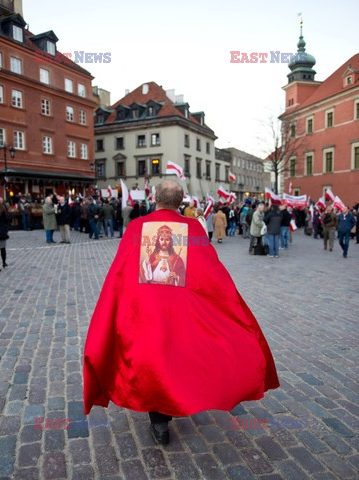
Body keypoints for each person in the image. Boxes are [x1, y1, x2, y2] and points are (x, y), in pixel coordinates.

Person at [83, 180, 279, 446]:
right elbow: (211, 273)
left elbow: (121, 270)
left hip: (146, 310)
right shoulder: (193, 229)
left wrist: (119, 303)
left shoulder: (138, 227)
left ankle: (160, 420)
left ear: (154, 198)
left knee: (153, 358)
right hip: (180, 310)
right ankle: (171, 407)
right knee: (174, 355)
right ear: (181, 201)